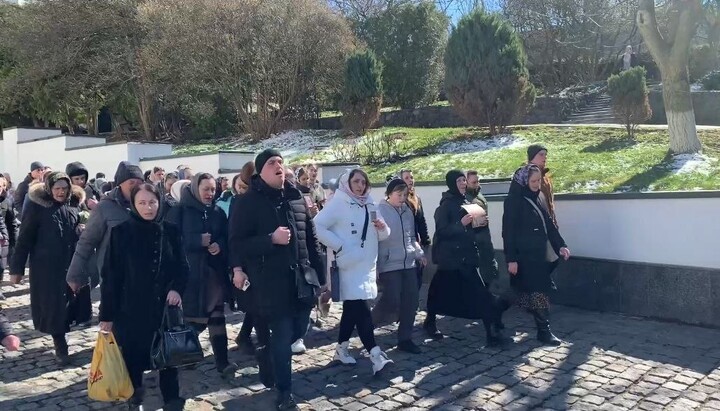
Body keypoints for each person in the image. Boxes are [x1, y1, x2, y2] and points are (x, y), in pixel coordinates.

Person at [229, 149, 326, 410]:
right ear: (260, 171)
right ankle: (285, 392)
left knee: (299, 330)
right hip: (271, 284)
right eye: (272, 163)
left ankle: (267, 352)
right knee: (284, 336)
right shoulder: (247, 202)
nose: (279, 166)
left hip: (303, 280)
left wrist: (323, 278)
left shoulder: (297, 197)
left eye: (281, 162)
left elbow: (311, 239)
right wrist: (269, 240)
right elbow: (236, 244)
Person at [99, 183, 188, 410]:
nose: (148, 208)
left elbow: (182, 267)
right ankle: (134, 398)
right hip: (131, 309)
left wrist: (176, 288)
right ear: (133, 205)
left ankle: (172, 401)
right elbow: (111, 276)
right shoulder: (121, 233)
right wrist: (107, 314)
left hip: (164, 309)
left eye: (152, 202)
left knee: (169, 358)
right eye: (142, 203)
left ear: (159, 202)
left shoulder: (171, 230)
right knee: (133, 358)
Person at [314, 169, 393, 374]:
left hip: (367, 264)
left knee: (352, 309)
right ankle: (375, 354)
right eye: (356, 181)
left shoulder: (370, 203)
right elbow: (317, 225)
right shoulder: (339, 203)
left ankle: (341, 349)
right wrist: (339, 245)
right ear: (347, 183)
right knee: (362, 308)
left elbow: (384, 235)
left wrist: (382, 227)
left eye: (363, 182)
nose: (360, 185)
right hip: (348, 264)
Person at [425, 170, 512, 347]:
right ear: (451, 183)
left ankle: (491, 334)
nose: (463, 183)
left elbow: (472, 230)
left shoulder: (467, 201)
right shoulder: (445, 205)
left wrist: (480, 222)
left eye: (464, 180)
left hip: (467, 259)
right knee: (438, 294)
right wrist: (461, 224)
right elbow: (442, 232)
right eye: (459, 180)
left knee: (481, 296)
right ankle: (430, 321)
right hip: (450, 262)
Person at [166, 173, 237, 377]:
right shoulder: (179, 211)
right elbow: (170, 241)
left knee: (216, 315)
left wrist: (218, 245)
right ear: (195, 188)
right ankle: (184, 354)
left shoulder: (217, 212)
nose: (210, 193)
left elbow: (226, 237)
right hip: (190, 275)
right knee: (194, 318)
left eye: (213, 189)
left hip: (213, 274)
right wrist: (197, 241)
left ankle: (222, 363)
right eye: (205, 189)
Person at [10, 172, 85, 365]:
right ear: (49, 189)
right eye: (57, 188)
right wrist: (16, 269)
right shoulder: (37, 208)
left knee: (71, 304)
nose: (60, 192)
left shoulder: (74, 205)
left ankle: (65, 333)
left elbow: (81, 228)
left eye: (64, 189)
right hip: (47, 268)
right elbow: (24, 238)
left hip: (71, 263)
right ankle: (60, 344)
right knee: (54, 307)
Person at [502, 164, 570, 346]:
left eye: (538, 180)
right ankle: (544, 331)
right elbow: (508, 232)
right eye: (533, 181)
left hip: (539, 256)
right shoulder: (513, 201)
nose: (536, 184)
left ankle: (494, 311)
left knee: (520, 293)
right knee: (539, 292)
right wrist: (512, 259)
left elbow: (549, 224)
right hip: (524, 257)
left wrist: (561, 245)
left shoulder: (539, 196)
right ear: (524, 181)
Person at [67, 162, 145, 294]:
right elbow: (87, 241)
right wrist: (74, 275)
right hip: (113, 276)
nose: (137, 186)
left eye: (140, 182)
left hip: (143, 274)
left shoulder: (148, 205)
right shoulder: (105, 207)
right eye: (132, 182)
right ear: (121, 183)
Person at [372, 178, 424, 353]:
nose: (402, 198)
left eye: (404, 194)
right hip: (389, 263)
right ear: (389, 194)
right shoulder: (380, 211)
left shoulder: (407, 211)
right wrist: (376, 266)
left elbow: (410, 237)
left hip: (408, 262)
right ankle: (368, 324)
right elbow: (375, 240)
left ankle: (405, 339)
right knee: (391, 299)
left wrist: (419, 253)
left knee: (411, 300)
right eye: (398, 194)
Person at [465, 170, 510, 333]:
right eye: (474, 182)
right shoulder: (466, 198)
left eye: (478, 181)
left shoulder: (479, 196)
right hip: (476, 245)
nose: (477, 184)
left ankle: (491, 314)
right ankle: (492, 316)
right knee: (483, 286)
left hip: (486, 242)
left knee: (489, 281)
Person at [399, 169, 431, 290]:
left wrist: (426, 239)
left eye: (411, 177)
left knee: (418, 275)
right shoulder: (400, 200)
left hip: (417, 242)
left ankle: (413, 304)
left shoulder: (416, 198)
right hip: (405, 243)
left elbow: (421, 221)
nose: (410, 180)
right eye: (406, 178)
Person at [524, 145, 558, 227]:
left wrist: (553, 222)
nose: (545, 157)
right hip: (535, 225)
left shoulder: (545, 176)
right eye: (541, 154)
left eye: (546, 155)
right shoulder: (526, 176)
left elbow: (549, 203)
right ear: (532, 157)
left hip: (549, 223)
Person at [0, 175, 18, 299]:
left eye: (1, 186)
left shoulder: (7, 200)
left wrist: (14, 240)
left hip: (3, 239)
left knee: (1, 266)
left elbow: (11, 221)